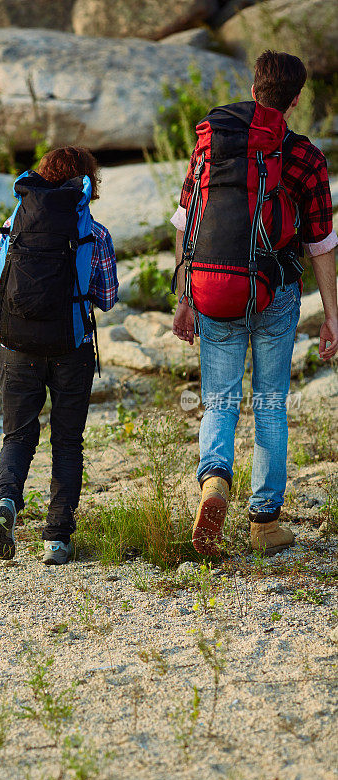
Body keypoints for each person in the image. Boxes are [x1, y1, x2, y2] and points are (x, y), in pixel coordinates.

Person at [171, 50, 338, 556]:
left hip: (215, 287)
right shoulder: (304, 155)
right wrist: (332, 315)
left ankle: (215, 481)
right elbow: (321, 245)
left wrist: (184, 296)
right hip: (277, 292)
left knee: (219, 399)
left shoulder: (214, 144)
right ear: (294, 99)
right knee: (269, 405)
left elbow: (185, 223)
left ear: (254, 89)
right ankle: (264, 522)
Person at [0, 146, 118, 565]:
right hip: (70, 349)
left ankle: (6, 502)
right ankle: (57, 539)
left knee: (18, 436)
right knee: (67, 442)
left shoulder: (13, 223)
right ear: (87, 184)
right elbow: (108, 298)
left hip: (18, 347)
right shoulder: (94, 233)